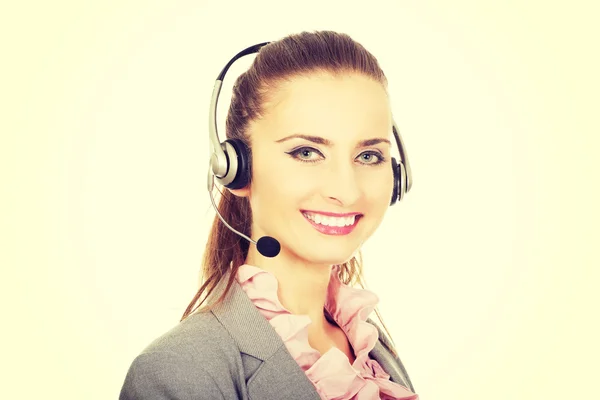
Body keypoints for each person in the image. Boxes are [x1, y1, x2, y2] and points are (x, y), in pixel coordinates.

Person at [119, 30, 418, 400]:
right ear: (237, 168)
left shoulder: (369, 346)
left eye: (368, 156)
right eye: (307, 152)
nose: (347, 191)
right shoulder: (178, 372)